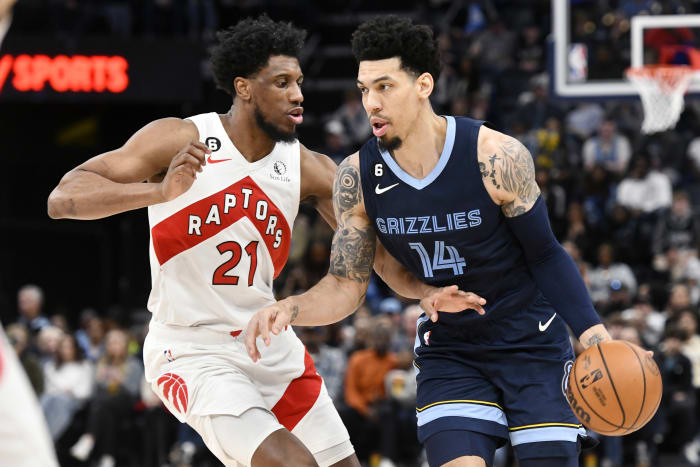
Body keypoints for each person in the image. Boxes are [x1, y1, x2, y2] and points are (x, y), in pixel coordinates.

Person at [47, 15, 476, 467]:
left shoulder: (308, 167)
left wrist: (427, 291)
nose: (298, 95)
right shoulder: (181, 138)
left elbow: (379, 258)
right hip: (192, 349)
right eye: (282, 82)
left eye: (300, 82)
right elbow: (64, 198)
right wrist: (157, 193)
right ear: (245, 88)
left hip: (269, 344)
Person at [246, 15, 619, 467]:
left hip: (531, 344)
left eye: (385, 87)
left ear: (423, 85)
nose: (371, 103)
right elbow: (347, 284)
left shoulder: (495, 156)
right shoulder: (357, 178)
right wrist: (291, 308)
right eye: (364, 89)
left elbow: (544, 253)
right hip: (452, 350)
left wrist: (593, 332)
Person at [0, 323, 59, 466]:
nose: (15, 342)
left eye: (18, 339)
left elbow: (39, 388)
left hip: (28, 407)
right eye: (11, 338)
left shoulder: (30, 361)